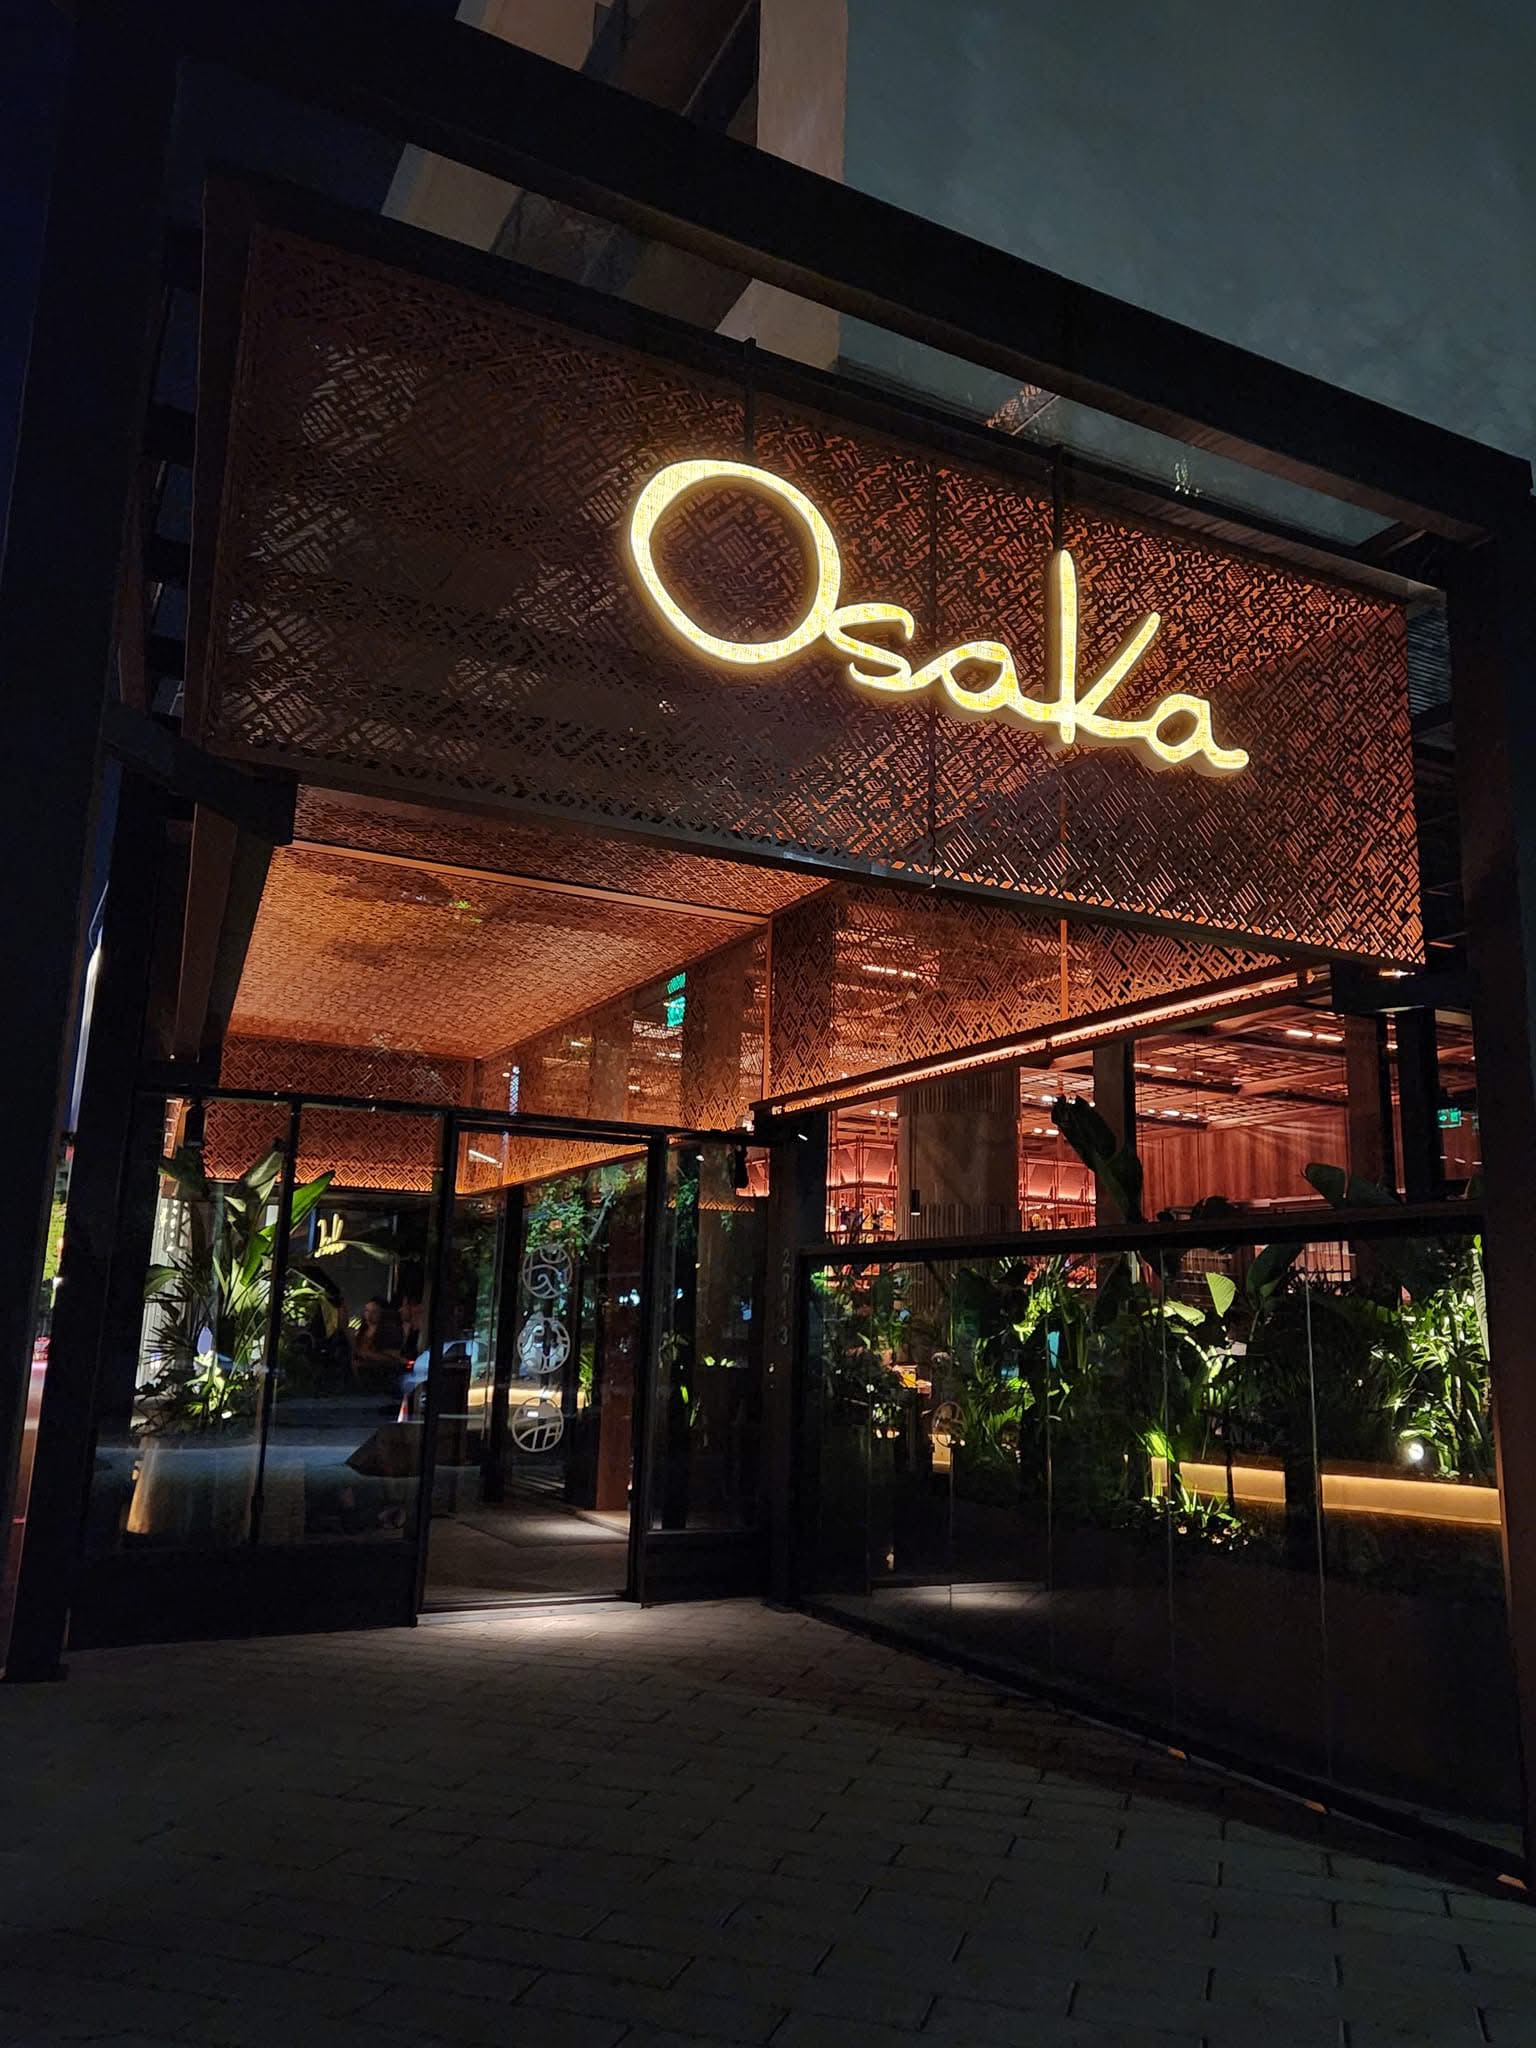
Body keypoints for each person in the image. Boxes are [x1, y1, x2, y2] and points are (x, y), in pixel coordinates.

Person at [351, 1297, 406, 1398]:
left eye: (374, 1312)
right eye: (367, 1311)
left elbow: (394, 1359)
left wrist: (367, 1354)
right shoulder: (361, 1331)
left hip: (379, 1378)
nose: (369, 1315)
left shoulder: (389, 1333)